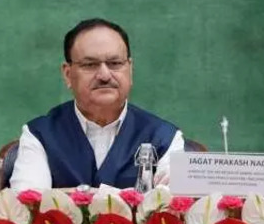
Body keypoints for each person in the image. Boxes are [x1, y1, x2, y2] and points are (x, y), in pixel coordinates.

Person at [9, 18, 183, 191]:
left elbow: (171, 203)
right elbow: (29, 204)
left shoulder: (164, 137)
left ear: (130, 69)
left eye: (115, 63)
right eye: (90, 65)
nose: (104, 75)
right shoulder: (40, 134)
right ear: (68, 74)